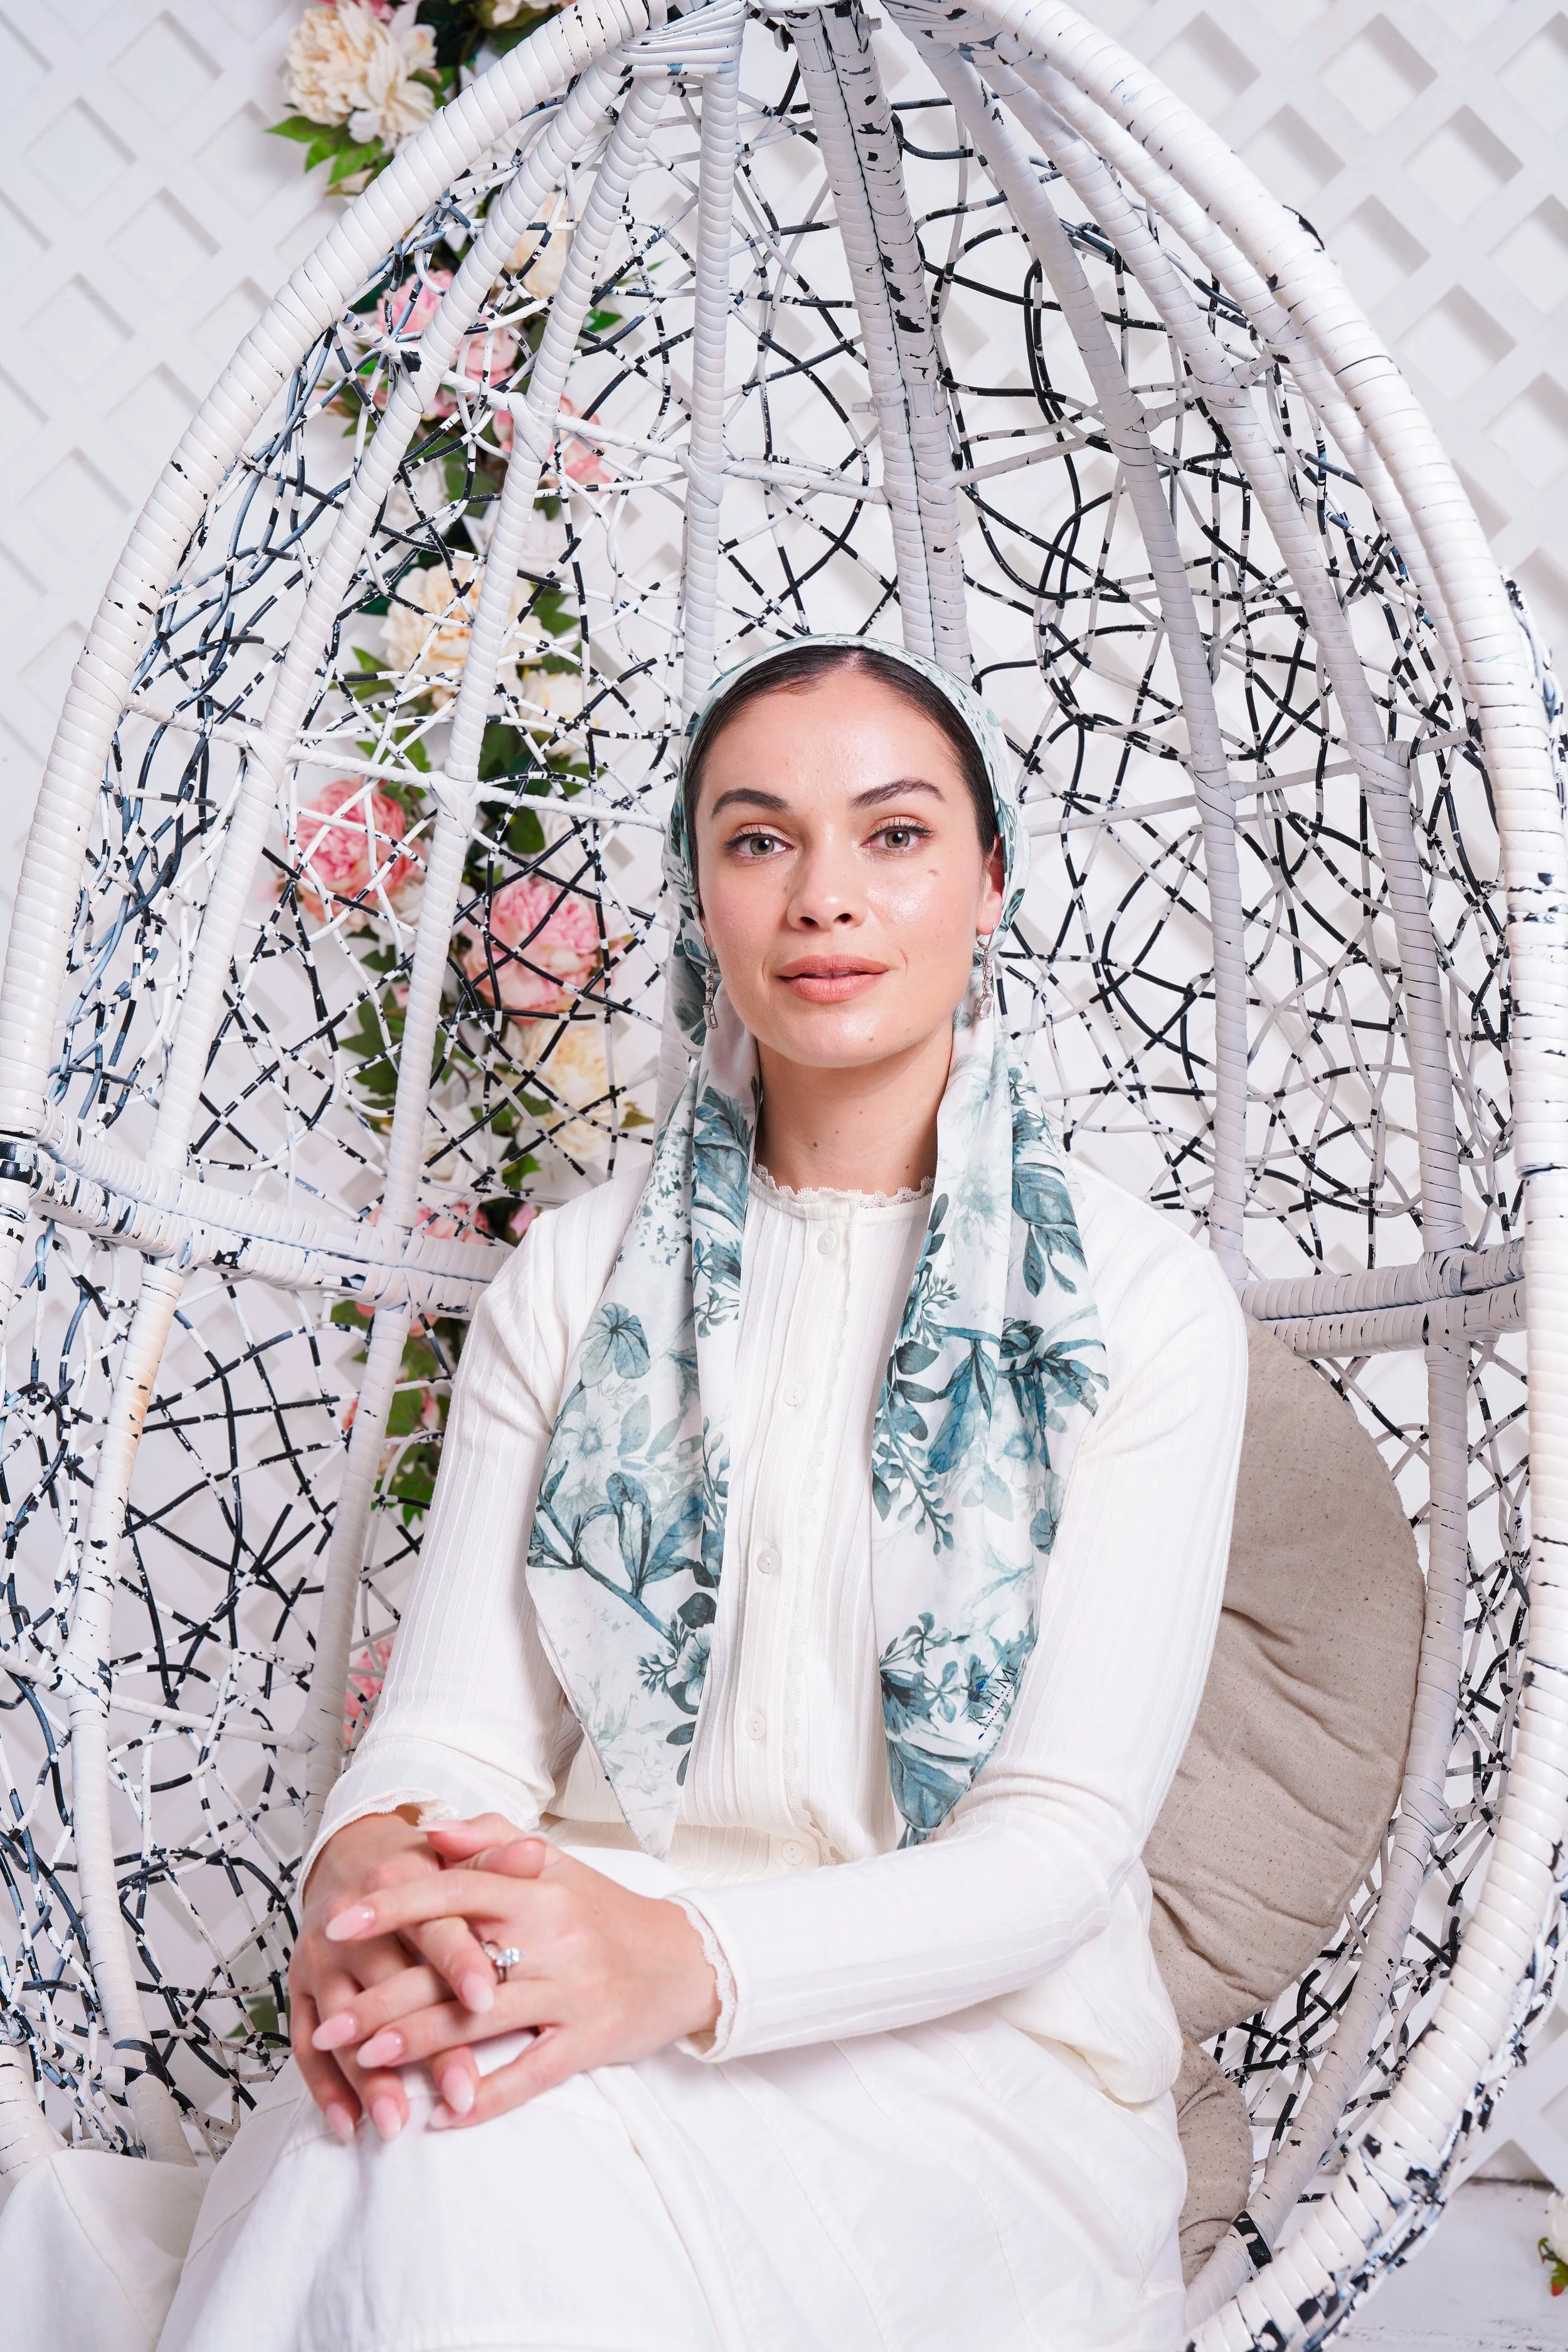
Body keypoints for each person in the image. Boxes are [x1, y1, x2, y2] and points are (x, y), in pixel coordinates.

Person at [157, 636, 1247, 2352]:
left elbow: (1051, 1853)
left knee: (447, 2170)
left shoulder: (1139, 1302)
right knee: (413, 2124)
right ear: (702, 894)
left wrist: (679, 1961)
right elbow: (449, 1738)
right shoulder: (576, 1275)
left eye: (894, 834)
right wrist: (372, 1897)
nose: (824, 896)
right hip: (558, 1964)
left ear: (990, 880)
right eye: (758, 839)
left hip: (955, 2061)